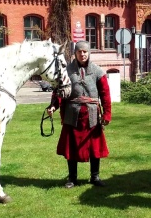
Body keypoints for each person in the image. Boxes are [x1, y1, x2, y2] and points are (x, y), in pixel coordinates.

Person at [47, 40, 112, 188]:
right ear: (75, 53)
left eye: (85, 51)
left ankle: (95, 176)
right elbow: (59, 91)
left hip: (92, 114)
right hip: (72, 114)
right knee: (72, 147)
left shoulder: (97, 71)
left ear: (89, 53)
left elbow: (105, 94)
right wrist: (53, 106)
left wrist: (107, 114)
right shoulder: (67, 71)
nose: (82, 54)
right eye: (79, 52)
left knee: (95, 148)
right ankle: (72, 178)